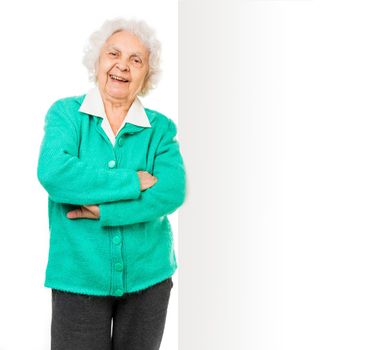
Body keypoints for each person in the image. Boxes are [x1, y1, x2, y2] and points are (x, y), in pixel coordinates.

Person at [36, 17, 186, 350]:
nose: (122, 66)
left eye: (136, 60)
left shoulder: (160, 129)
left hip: (150, 280)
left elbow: (171, 191)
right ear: (98, 60)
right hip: (77, 278)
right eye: (113, 54)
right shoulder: (66, 115)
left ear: (147, 74)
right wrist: (132, 181)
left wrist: (105, 211)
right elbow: (54, 173)